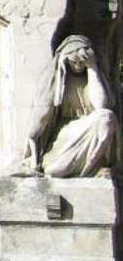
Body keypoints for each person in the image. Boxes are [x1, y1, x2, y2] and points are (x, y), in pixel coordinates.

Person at [20, 35, 119, 178]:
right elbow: (41, 116)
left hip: (89, 126)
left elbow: (101, 106)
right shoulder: (57, 81)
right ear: (65, 59)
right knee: (55, 170)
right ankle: (61, 162)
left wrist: (92, 68)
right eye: (74, 61)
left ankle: (94, 167)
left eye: (82, 62)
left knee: (106, 118)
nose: (79, 65)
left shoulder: (93, 77)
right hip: (65, 131)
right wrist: (33, 143)